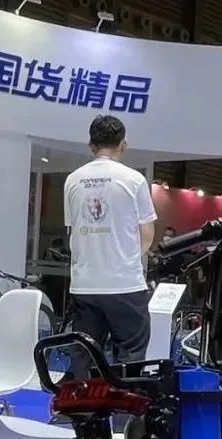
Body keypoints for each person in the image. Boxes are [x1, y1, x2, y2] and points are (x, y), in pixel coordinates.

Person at [64, 114, 157, 373]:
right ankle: (125, 400)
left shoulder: (72, 180)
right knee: (130, 356)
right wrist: (128, 258)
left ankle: (81, 399)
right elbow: (147, 232)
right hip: (125, 284)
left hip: (84, 284)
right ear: (123, 144)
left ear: (91, 145)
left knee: (84, 356)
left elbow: (72, 230)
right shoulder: (134, 180)